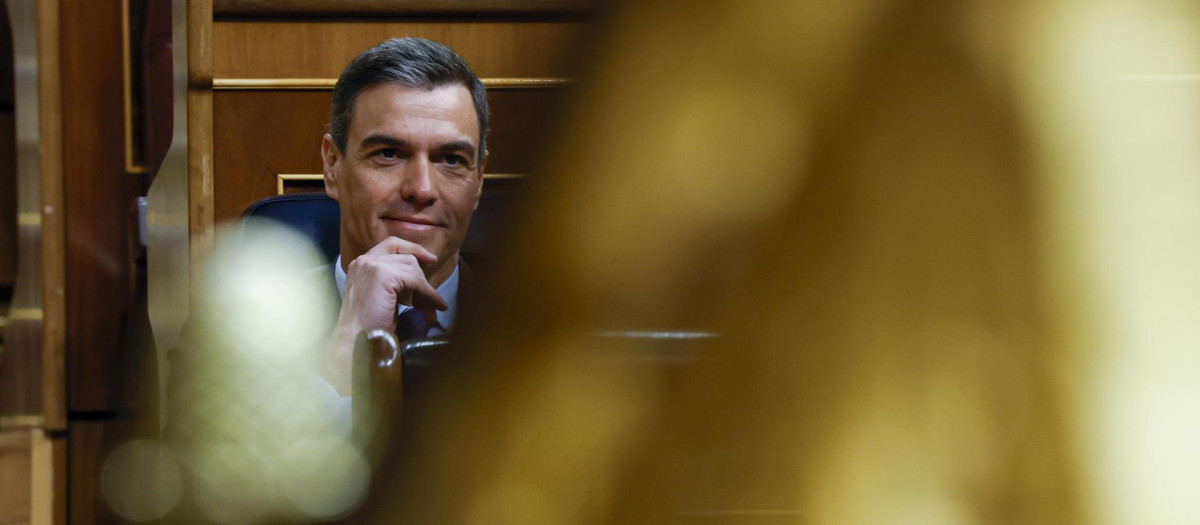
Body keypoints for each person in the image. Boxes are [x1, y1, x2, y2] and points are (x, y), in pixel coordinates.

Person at [318, 37, 490, 396]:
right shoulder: (244, 330)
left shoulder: (547, 330)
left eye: (451, 160)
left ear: (478, 180)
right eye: (389, 153)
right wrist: (347, 348)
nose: (422, 189)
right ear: (333, 166)